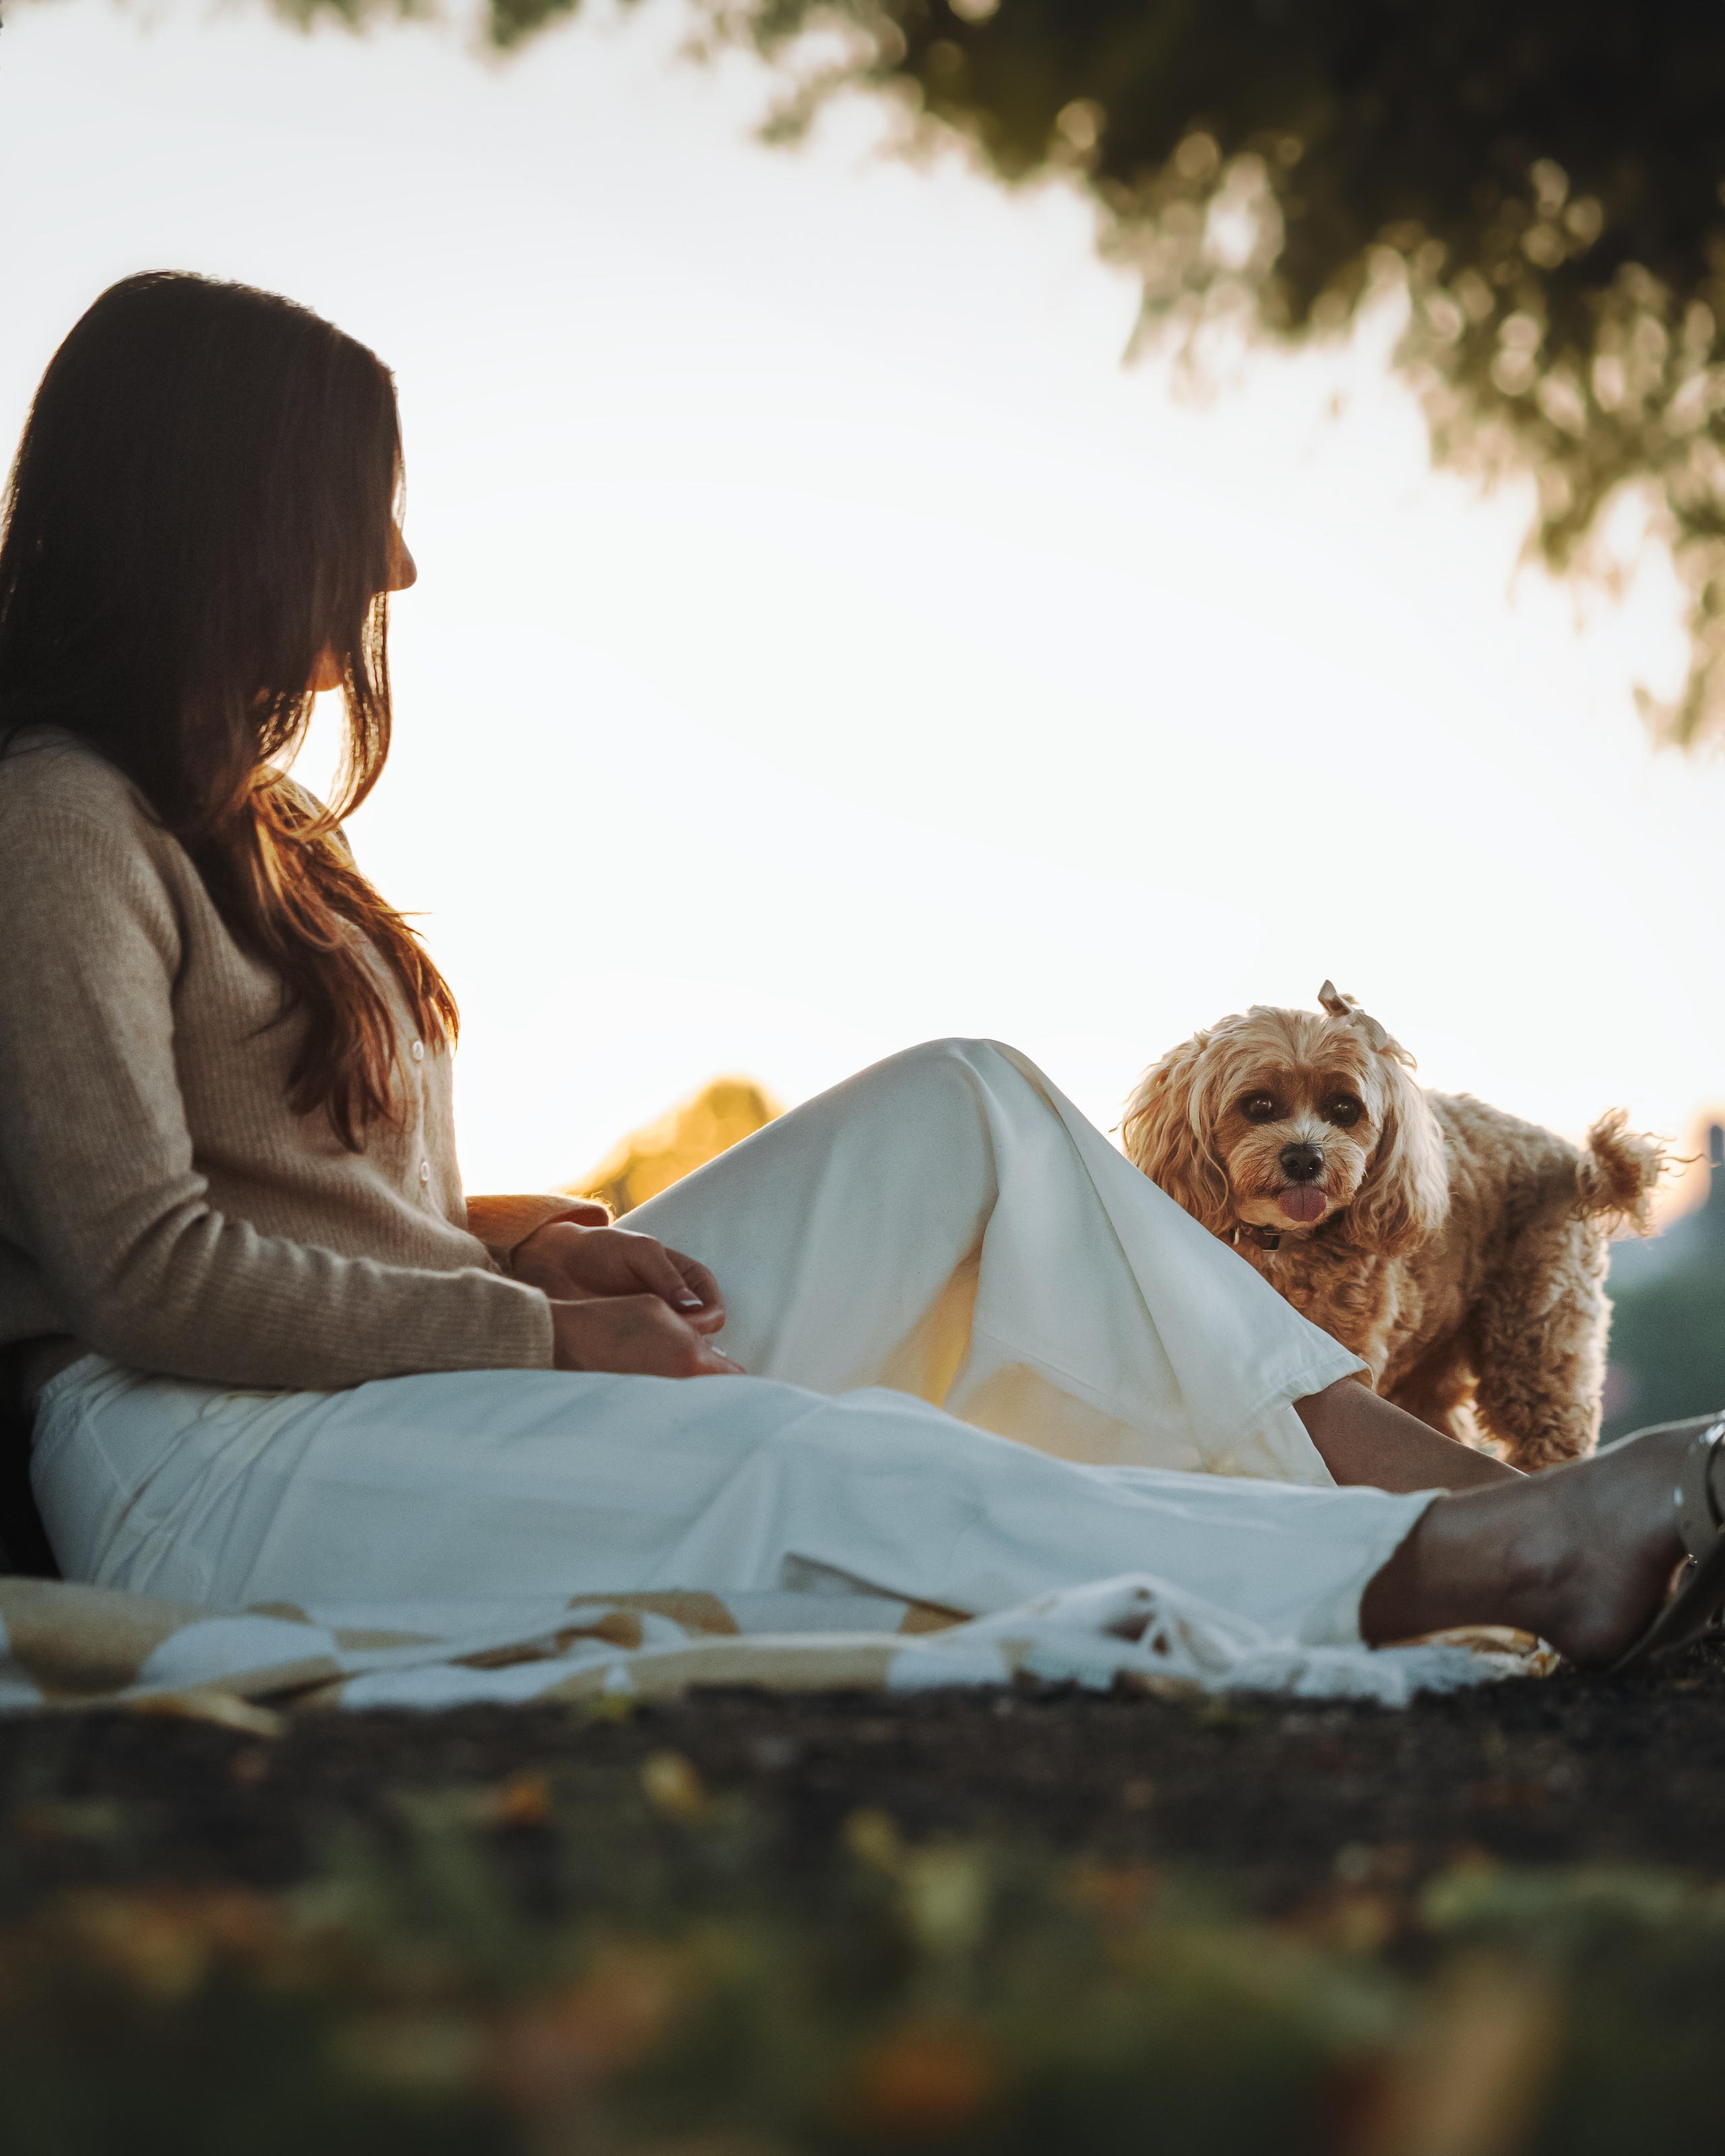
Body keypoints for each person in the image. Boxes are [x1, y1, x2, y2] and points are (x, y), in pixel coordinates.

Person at [0, 273, 1717, 1678]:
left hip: (409, 1362)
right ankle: (1498, 1559)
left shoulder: (266, 831)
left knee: (969, 1108)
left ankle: (1457, 1491)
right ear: (219, 517)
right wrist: (537, 1332)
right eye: (352, 511)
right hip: (216, 1459)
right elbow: (142, 1269)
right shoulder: (60, 820)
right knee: (802, 1453)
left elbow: (330, 1197)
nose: (395, 566)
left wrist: (525, 1240)